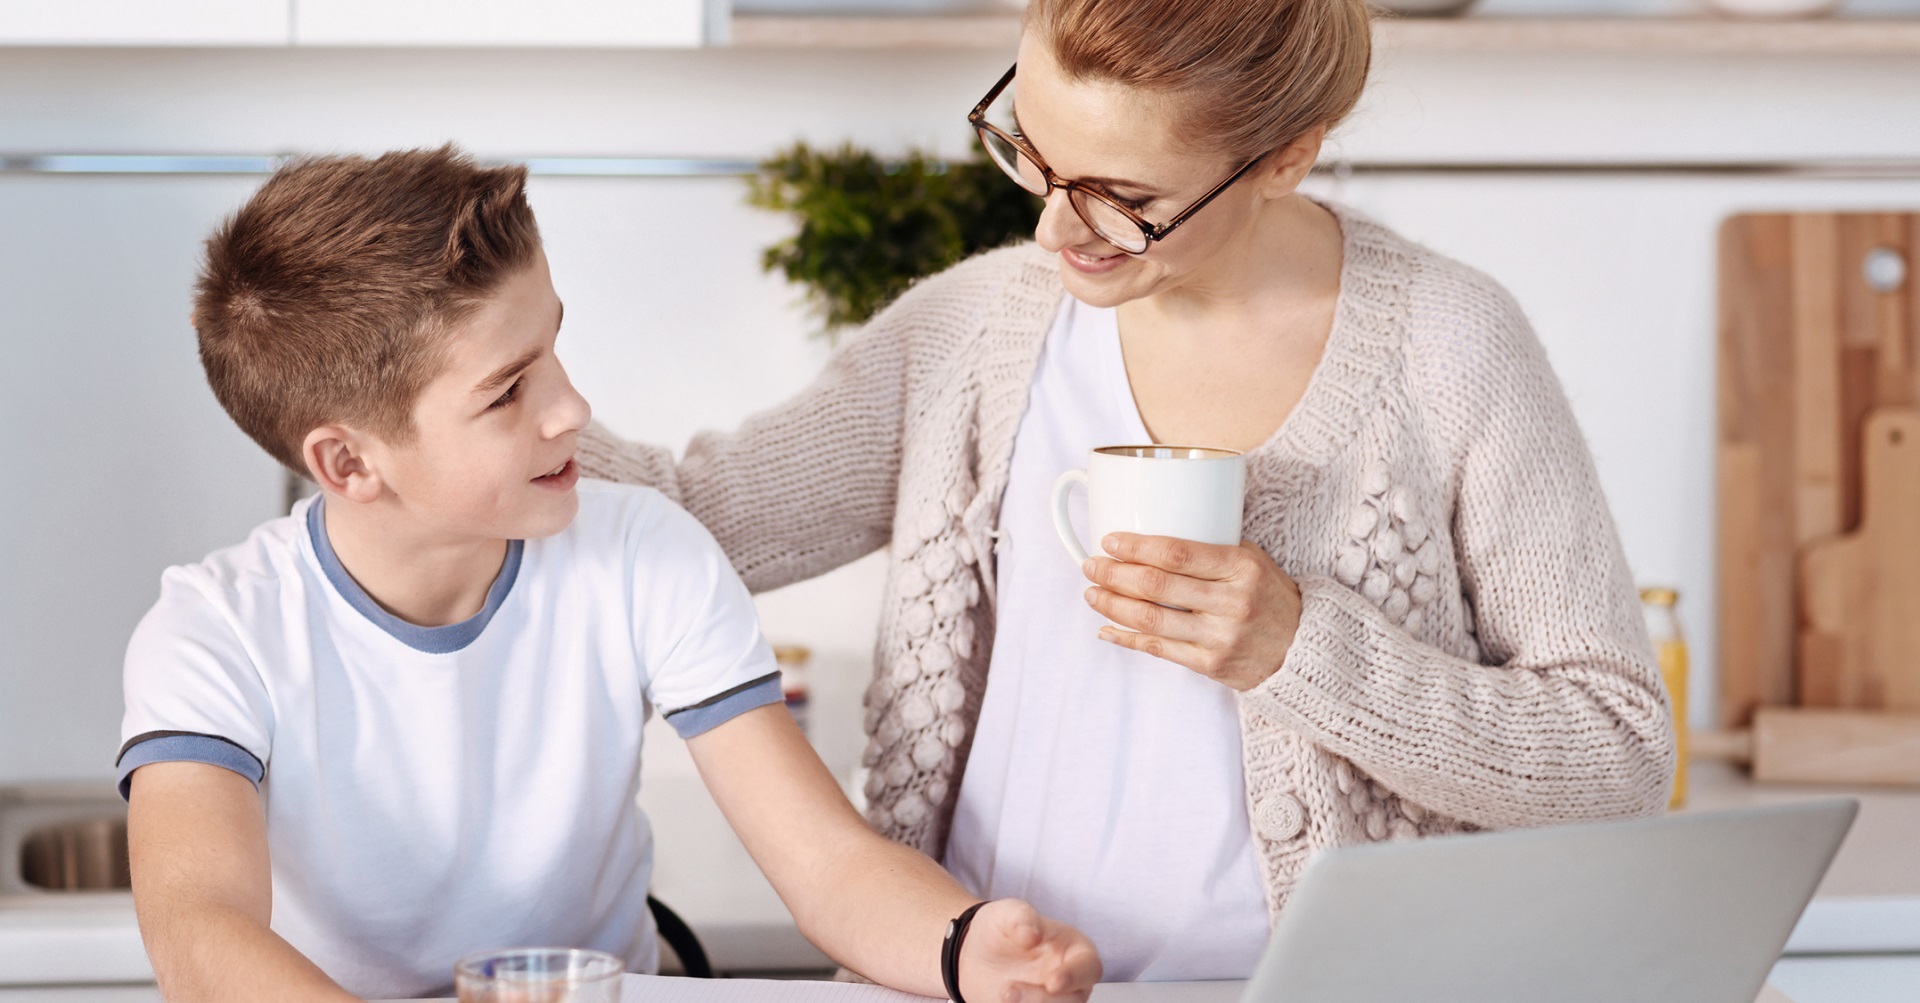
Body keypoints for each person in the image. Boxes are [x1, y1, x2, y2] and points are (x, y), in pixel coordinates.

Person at [577, 0, 1677, 982]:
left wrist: (1302, 650)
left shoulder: (1451, 348)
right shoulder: (972, 333)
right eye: (1037, 160)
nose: (1056, 230)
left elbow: (1618, 752)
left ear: (1287, 157)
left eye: (1125, 199)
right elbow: (684, 518)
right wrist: (460, 384)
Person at [117, 146, 1101, 1003]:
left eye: (552, 348)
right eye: (508, 393)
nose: (572, 407)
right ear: (348, 465)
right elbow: (201, 936)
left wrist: (964, 946)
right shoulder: (215, 630)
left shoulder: (642, 551)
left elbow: (828, 864)